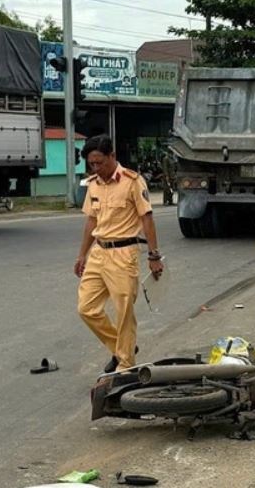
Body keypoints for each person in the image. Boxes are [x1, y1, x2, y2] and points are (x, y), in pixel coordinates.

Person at [75, 134, 164, 373]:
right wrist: (82, 254)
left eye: (100, 162)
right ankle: (121, 347)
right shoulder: (93, 184)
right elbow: (91, 221)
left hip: (124, 253)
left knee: (124, 312)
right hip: (99, 253)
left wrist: (154, 256)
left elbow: (147, 218)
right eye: (92, 164)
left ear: (112, 156)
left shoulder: (132, 181)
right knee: (86, 308)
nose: (96, 168)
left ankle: (125, 366)